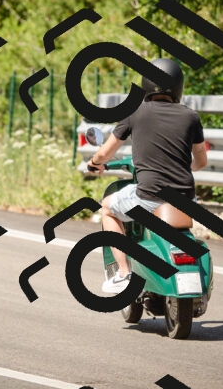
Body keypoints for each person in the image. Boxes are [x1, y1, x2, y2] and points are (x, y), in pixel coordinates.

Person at [86, 58, 208, 293]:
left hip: (149, 196)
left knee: (107, 208)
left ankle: (123, 273)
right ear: (178, 86)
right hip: (187, 199)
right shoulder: (191, 116)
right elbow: (201, 161)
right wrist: (182, 167)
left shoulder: (134, 112)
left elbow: (105, 152)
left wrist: (94, 163)